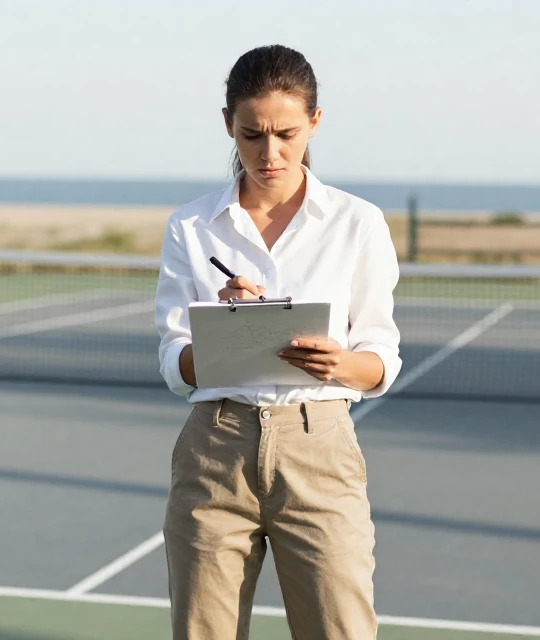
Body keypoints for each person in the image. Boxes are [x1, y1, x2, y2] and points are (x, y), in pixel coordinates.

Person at [153, 44, 402, 639]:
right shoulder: (190, 226)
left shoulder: (357, 222)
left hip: (320, 448)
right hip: (215, 448)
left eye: (287, 134)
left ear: (315, 121)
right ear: (228, 125)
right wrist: (225, 324)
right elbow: (174, 362)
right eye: (252, 135)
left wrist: (340, 363)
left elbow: (380, 360)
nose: (270, 153)